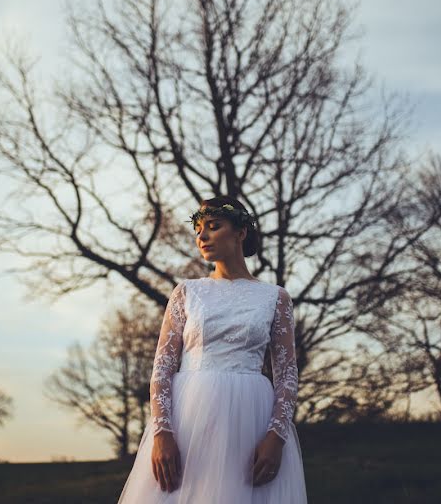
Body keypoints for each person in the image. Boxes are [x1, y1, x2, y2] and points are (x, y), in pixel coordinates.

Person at [117, 196, 308, 503]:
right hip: (189, 418)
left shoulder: (275, 297)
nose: (201, 237)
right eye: (198, 230)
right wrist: (162, 433)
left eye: (214, 227)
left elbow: (287, 374)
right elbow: (162, 368)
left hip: (251, 421)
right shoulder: (186, 293)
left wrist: (277, 435)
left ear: (240, 233)